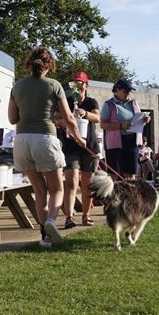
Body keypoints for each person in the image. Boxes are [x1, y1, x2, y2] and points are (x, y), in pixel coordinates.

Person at [8, 47, 86, 247]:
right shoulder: (54, 85)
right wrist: (78, 138)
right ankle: (51, 220)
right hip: (45, 139)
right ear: (49, 64)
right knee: (58, 188)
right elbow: (69, 117)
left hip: (22, 140)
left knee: (39, 191)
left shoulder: (17, 86)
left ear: (30, 63)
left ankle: (45, 236)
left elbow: (12, 118)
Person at [56, 71, 100, 228]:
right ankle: (69, 217)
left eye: (80, 84)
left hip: (89, 147)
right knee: (71, 182)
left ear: (86, 85)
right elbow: (56, 116)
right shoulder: (66, 101)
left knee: (88, 184)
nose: (78, 87)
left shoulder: (91, 102)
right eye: (75, 84)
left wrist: (85, 114)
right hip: (71, 146)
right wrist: (61, 121)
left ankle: (86, 215)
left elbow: (97, 118)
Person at [100, 79, 151, 180]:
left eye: (129, 91)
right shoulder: (109, 104)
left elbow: (138, 121)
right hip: (115, 143)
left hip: (132, 141)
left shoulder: (134, 103)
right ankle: (113, 194)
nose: (128, 93)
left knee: (130, 172)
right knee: (114, 173)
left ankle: (129, 194)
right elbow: (103, 124)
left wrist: (145, 120)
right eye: (125, 91)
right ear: (116, 90)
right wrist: (120, 126)